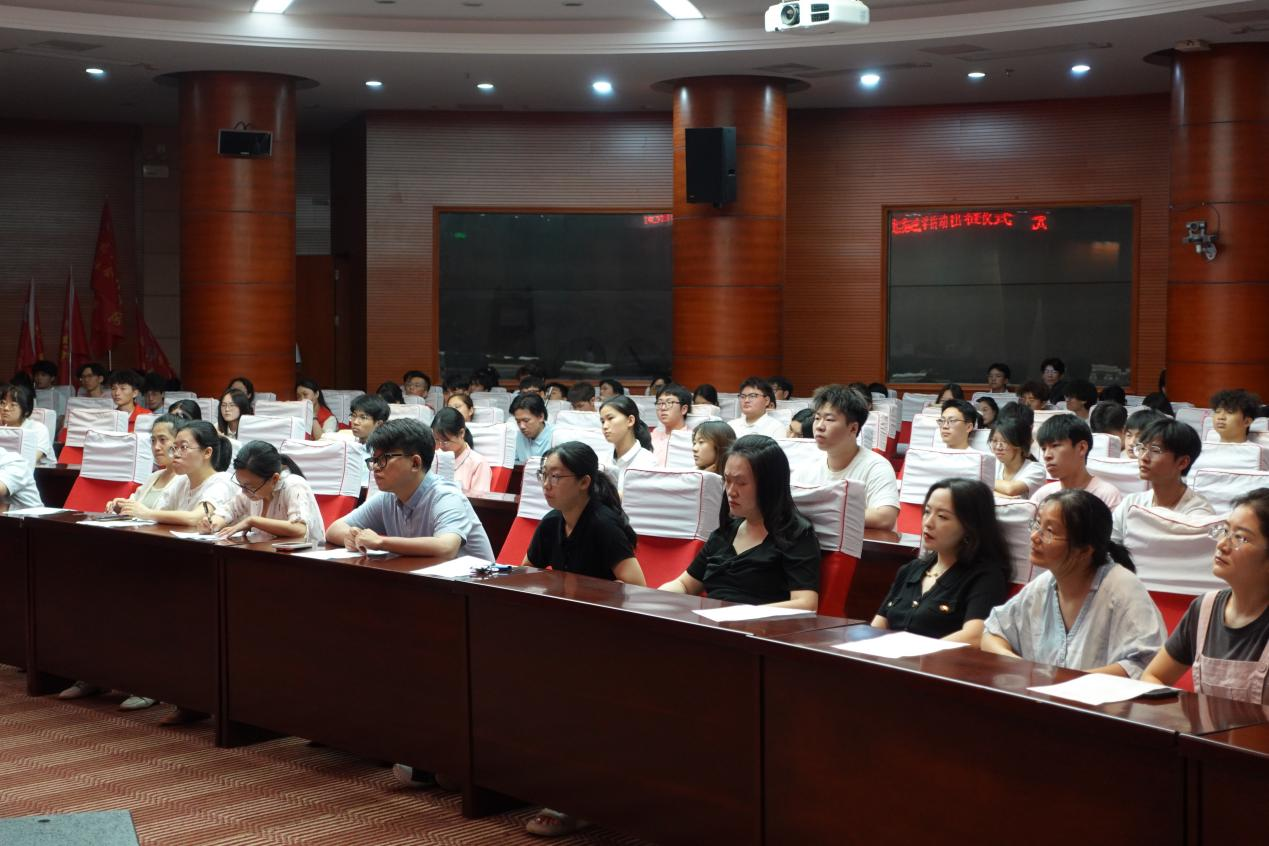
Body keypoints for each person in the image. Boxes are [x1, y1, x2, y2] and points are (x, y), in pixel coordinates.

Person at [982, 489, 1166, 677]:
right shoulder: (1045, 583)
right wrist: (1019, 665)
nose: (1034, 536)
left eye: (1049, 531)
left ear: (1084, 550)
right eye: (1037, 524)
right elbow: (993, 632)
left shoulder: (1123, 587)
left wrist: (1068, 682)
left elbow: (1147, 664)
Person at [660, 435, 820, 609]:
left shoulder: (796, 535)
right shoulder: (724, 533)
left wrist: (742, 615)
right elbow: (685, 584)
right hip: (710, 620)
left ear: (769, 485)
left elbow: (806, 604)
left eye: (741, 483)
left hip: (759, 624)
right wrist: (655, 598)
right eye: (727, 481)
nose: (731, 491)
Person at [1141, 490, 1269, 703]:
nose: (1222, 545)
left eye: (1240, 537)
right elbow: (1152, 676)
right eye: (1225, 531)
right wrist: (1184, 713)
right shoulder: (1204, 609)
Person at [326, 418, 494, 560]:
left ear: (415, 463)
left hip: (475, 586)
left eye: (384, 459)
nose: (376, 467)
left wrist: (381, 542)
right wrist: (353, 537)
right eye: (374, 460)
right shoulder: (388, 497)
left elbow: (446, 547)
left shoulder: (446, 496)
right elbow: (334, 530)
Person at [872, 479, 1012, 642]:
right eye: (927, 511)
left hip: (938, 658)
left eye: (942, 517)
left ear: (969, 526)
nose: (928, 523)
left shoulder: (986, 577)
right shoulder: (910, 570)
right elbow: (877, 627)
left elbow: (974, 636)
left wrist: (917, 653)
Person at [525, 441, 645, 584]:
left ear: (584, 482)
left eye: (555, 476)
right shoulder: (551, 522)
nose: (546, 485)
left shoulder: (604, 525)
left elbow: (636, 586)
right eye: (544, 474)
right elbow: (526, 572)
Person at [791, 384, 899, 530]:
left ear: (853, 428)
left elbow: (885, 517)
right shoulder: (808, 464)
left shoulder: (877, 466)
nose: (819, 426)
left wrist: (823, 514)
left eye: (829, 419)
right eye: (817, 418)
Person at [1111, 418, 1214, 544]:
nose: (1144, 457)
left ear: (1182, 462)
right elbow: (1110, 545)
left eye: (1155, 450)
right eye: (1142, 448)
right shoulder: (1132, 502)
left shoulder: (1199, 516)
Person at [115, 419, 235, 527]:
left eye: (183, 447)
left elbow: (195, 518)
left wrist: (146, 513)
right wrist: (127, 508)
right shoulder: (182, 482)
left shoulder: (222, 481)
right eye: (175, 448)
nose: (176, 454)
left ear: (207, 452)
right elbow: (160, 512)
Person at [205, 440, 325, 545]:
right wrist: (213, 522)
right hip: (267, 552)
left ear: (274, 479)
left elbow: (300, 529)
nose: (243, 491)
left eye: (249, 487)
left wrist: (253, 521)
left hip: (305, 557)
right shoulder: (249, 488)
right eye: (240, 484)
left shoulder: (294, 485)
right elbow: (229, 510)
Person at [1030, 414, 1123, 510]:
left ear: (1081, 448)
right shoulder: (1043, 496)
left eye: (1055, 446)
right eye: (1044, 449)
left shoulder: (1107, 496)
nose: (1046, 455)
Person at [106, 414, 181, 512]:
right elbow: (134, 504)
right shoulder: (154, 476)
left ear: (178, 442)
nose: (156, 447)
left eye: (162, 440)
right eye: (153, 441)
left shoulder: (186, 480)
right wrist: (121, 506)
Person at [431, 407, 491, 494]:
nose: (440, 445)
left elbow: (479, 499)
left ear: (461, 433)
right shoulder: (433, 456)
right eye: (436, 440)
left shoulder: (478, 463)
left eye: (445, 441)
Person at [599, 395, 655, 487]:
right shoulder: (602, 460)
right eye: (602, 421)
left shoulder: (648, 462)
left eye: (610, 418)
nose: (605, 426)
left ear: (630, 420)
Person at [990, 412, 1047, 497]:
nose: (998, 447)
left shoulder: (1036, 470)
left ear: (1020, 444)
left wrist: (984, 480)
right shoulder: (993, 465)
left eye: (1005, 441)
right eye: (994, 441)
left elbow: (1010, 489)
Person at [0, 383, 53, 465]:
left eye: (13, 405)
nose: (5, 408)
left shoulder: (38, 429)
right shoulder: (3, 428)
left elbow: (32, 459)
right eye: (3, 403)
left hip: (40, 471)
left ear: (26, 411)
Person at [650, 383, 691, 466]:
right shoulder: (652, 436)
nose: (663, 408)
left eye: (669, 402)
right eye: (659, 403)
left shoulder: (692, 439)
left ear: (683, 409)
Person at [510, 393, 554, 465]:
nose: (522, 426)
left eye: (526, 420)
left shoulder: (555, 436)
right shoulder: (518, 436)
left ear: (541, 417)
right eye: (518, 421)